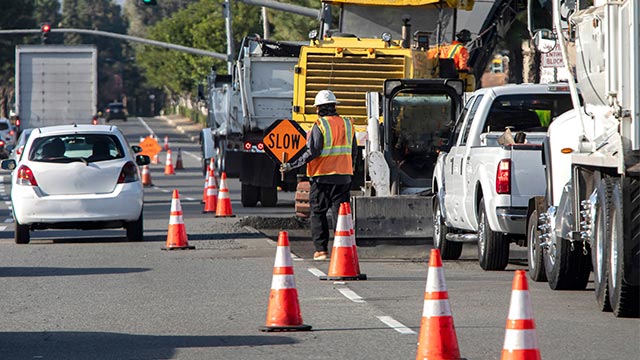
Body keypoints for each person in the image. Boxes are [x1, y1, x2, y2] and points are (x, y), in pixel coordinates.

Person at [280, 90, 358, 261]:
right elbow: (353, 152)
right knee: (341, 215)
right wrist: (349, 169)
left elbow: (312, 151)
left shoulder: (320, 125)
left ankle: (321, 251)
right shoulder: (348, 124)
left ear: (318, 109)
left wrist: (291, 165)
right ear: (334, 106)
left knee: (318, 212)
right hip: (344, 176)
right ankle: (342, 249)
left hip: (322, 177)